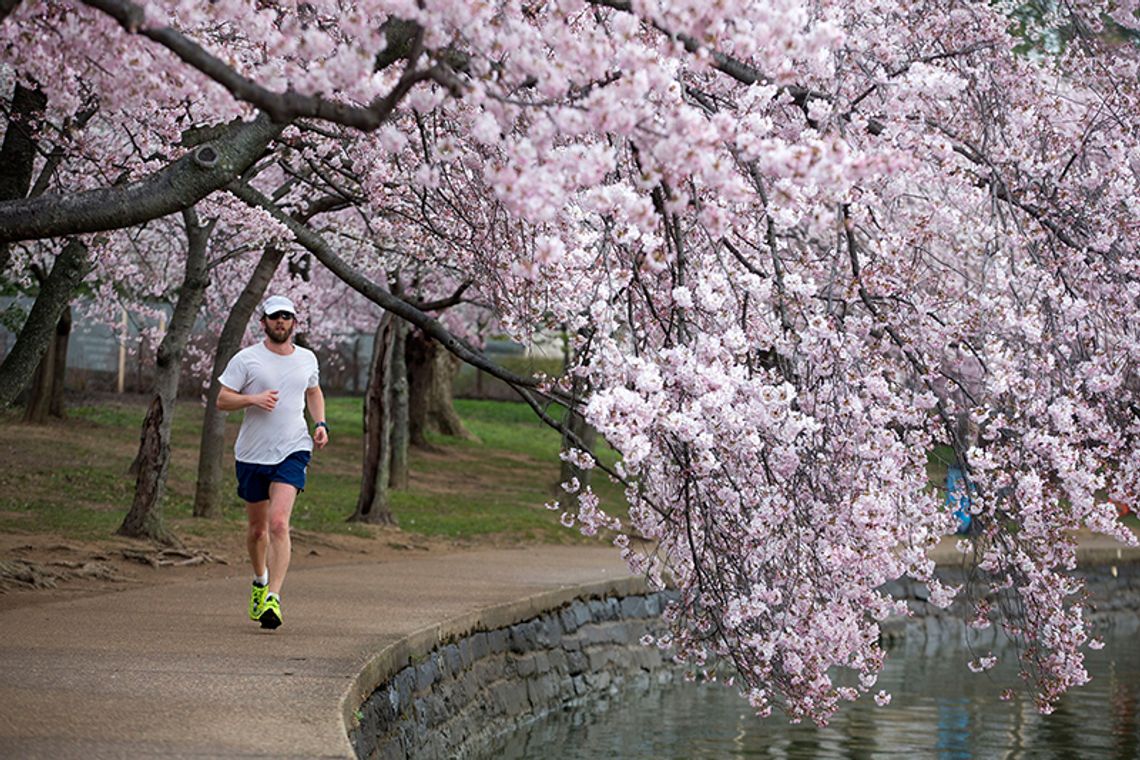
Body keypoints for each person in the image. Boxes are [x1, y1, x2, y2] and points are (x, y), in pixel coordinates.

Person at [216, 295, 329, 630]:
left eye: (287, 316)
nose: (281, 322)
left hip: (293, 448)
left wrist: (320, 423)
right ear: (262, 322)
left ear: (294, 323)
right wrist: (252, 398)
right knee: (257, 530)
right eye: (274, 317)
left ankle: (273, 599)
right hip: (252, 453)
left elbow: (313, 391)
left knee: (279, 523)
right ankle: (259, 581)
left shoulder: (307, 358)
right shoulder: (247, 359)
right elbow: (222, 400)